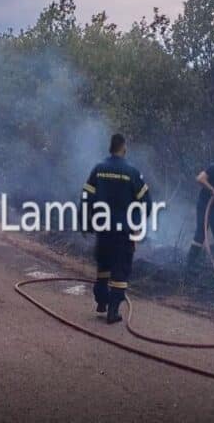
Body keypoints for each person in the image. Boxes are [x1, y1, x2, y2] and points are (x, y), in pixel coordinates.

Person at [82, 134, 151, 324]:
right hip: (123, 231)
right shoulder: (132, 172)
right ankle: (113, 311)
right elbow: (147, 203)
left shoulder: (99, 169)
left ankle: (102, 301)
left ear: (110, 147)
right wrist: (137, 224)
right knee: (120, 269)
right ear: (124, 148)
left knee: (103, 265)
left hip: (102, 228)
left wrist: (85, 222)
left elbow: (86, 197)